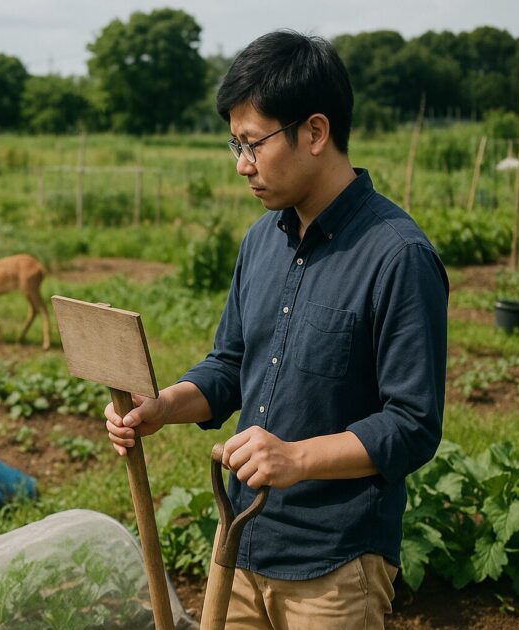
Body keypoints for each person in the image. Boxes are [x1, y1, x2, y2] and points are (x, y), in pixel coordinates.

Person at [105, 30, 448, 629]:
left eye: (253, 144)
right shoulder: (260, 241)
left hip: (334, 567)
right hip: (238, 543)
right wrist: (162, 406)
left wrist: (296, 458)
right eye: (234, 144)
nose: (242, 166)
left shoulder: (397, 256)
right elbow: (231, 364)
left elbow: (412, 424)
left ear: (315, 133)